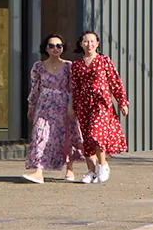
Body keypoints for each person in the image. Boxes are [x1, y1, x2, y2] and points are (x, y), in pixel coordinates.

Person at [69, 30, 129, 184]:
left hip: (101, 103)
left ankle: (103, 165)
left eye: (92, 41)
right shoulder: (76, 65)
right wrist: (73, 106)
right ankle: (91, 171)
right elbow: (75, 88)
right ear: (81, 44)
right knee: (87, 138)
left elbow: (115, 82)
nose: (89, 44)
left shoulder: (104, 61)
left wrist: (122, 102)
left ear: (97, 43)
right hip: (84, 104)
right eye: (86, 41)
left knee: (97, 133)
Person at [22, 34, 81, 184]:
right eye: (51, 45)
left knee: (65, 135)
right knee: (40, 135)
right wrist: (30, 105)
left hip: (63, 104)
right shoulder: (38, 66)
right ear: (46, 48)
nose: (55, 49)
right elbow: (35, 87)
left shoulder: (69, 66)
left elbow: (72, 89)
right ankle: (38, 171)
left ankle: (69, 169)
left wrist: (71, 106)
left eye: (58, 46)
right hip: (44, 105)